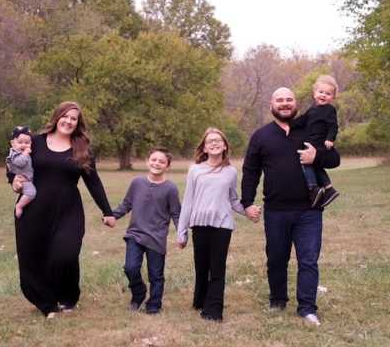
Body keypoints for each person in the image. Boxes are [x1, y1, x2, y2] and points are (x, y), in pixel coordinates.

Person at [240, 87, 341, 326]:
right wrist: (246, 202)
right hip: (275, 211)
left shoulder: (310, 129)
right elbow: (250, 171)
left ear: (296, 104)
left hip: (309, 211)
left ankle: (307, 308)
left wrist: (316, 157)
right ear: (271, 105)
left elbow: (334, 159)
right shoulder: (261, 136)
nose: (285, 104)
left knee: (308, 260)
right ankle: (277, 300)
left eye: (289, 100)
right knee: (276, 258)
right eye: (280, 100)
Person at [8, 101, 114, 319]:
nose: (68, 121)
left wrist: (107, 211)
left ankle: (68, 295)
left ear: (78, 123)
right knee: (33, 257)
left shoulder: (81, 148)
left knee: (65, 254)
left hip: (68, 211)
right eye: (65, 116)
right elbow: (15, 164)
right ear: (57, 118)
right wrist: (14, 181)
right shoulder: (35, 142)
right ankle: (46, 303)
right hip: (34, 210)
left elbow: (93, 182)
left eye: (73, 118)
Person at [176, 128, 248, 322]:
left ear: (224, 146)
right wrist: (181, 232)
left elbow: (233, 200)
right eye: (210, 142)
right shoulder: (195, 170)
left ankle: (213, 311)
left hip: (222, 225)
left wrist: (248, 211)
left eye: (218, 141)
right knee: (201, 266)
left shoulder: (231, 171)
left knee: (217, 268)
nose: (214, 143)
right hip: (199, 225)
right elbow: (188, 201)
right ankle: (200, 300)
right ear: (205, 148)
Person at [105, 148, 181, 314]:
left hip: (156, 238)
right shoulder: (137, 183)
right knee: (130, 267)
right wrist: (111, 216)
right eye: (154, 159)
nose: (157, 163)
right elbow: (126, 204)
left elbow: (176, 213)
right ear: (148, 161)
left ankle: (154, 305)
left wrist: (182, 233)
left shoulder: (170, 188)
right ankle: (138, 294)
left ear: (167, 166)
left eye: (162, 162)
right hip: (135, 234)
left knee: (156, 275)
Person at [300, 75, 341, 208]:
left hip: (320, 143)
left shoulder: (329, 110)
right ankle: (329, 189)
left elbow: (333, 126)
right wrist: (290, 124)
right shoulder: (312, 109)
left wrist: (330, 138)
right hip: (311, 142)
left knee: (307, 162)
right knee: (316, 165)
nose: (323, 95)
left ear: (333, 97)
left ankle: (313, 188)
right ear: (314, 93)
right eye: (321, 92)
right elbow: (302, 120)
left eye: (328, 93)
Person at [6, 126, 35, 219]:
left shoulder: (22, 152)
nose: (23, 145)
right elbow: (19, 163)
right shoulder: (15, 153)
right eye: (20, 142)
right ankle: (19, 206)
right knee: (31, 193)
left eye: (27, 143)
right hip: (23, 180)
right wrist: (25, 153)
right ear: (12, 143)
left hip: (27, 178)